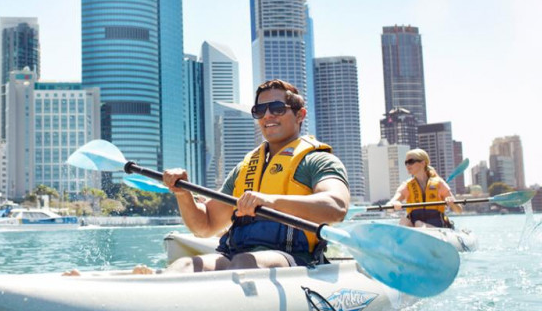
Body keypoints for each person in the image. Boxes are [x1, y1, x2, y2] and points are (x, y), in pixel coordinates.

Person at [159, 79, 350, 272]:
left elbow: (336, 206)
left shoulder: (318, 161)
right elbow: (205, 225)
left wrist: (269, 201)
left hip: (295, 259)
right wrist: (182, 193)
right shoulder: (245, 169)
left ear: (300, 115)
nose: (267, 115)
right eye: (260, 110)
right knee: (185, 264)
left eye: (277, 108)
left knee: (245, 263)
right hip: (236, 256)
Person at [388, 149, 460, 228]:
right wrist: (394, 204)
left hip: (437, 227)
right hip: (417, 227)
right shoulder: (407, 185)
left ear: (422, 163)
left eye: (411, 162)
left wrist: (452, 203)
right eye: (406, 163)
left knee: (419, 224)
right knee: (404, 221)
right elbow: (391, 203)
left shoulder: (439, 183)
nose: (407, 165)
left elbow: (458, 210)